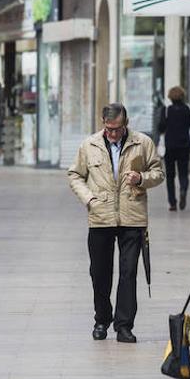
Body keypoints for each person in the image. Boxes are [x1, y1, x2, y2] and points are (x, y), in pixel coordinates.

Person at [67, 102, 163, 343]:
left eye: (117, 129)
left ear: (126, 124)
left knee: (128, 272)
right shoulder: (89, 145)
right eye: (108, 128)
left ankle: (124, 325)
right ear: (103, 124)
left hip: (133, 216)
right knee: (100, 273)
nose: (112, 134)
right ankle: (102, 319)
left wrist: (141, 178)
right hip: (100, 217)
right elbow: (75, 175)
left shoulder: (143, 143)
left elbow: (158, 172)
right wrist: (89, 199)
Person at [159, 86, 190, 212]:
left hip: (169, 146)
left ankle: (172, 203)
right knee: (183, 173)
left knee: (170, 175)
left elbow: (161, 127)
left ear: (170, 97)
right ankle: (183, 190)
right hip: (184, 145)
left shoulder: (166, 110)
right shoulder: (188, 109)